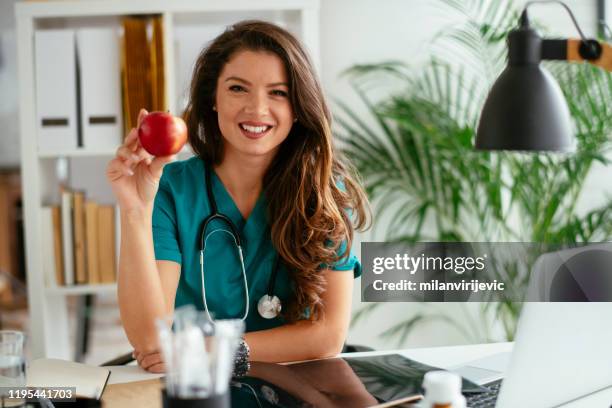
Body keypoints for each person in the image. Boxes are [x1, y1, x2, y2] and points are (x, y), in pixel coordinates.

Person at [106, 20, 370, 374]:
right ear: (212, 99)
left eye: (278, 92)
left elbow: (327, 336)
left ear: (298, 107)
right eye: (238, 88)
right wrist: (135, 210)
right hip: (195, 387)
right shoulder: (170, 188)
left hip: (291, 385)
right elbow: (150, 341)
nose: (257, 109)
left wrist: (213, 348)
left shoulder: (324, 194)